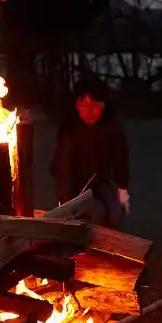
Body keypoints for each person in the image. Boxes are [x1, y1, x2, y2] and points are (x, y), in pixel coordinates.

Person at [50, 76, 130, 222]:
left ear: (104, 105)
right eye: (84, 106)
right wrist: (66, 202)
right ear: (76, 105)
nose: (89, 112)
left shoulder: (111, 128)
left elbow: (120, 159)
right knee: (96, 214)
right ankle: (86, 241)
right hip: (74, 187)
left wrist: (122, 189)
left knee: (115, 214)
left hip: (99, 183)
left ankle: (107, 242)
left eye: (95, 106)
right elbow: (62, 169)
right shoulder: (70, 129)